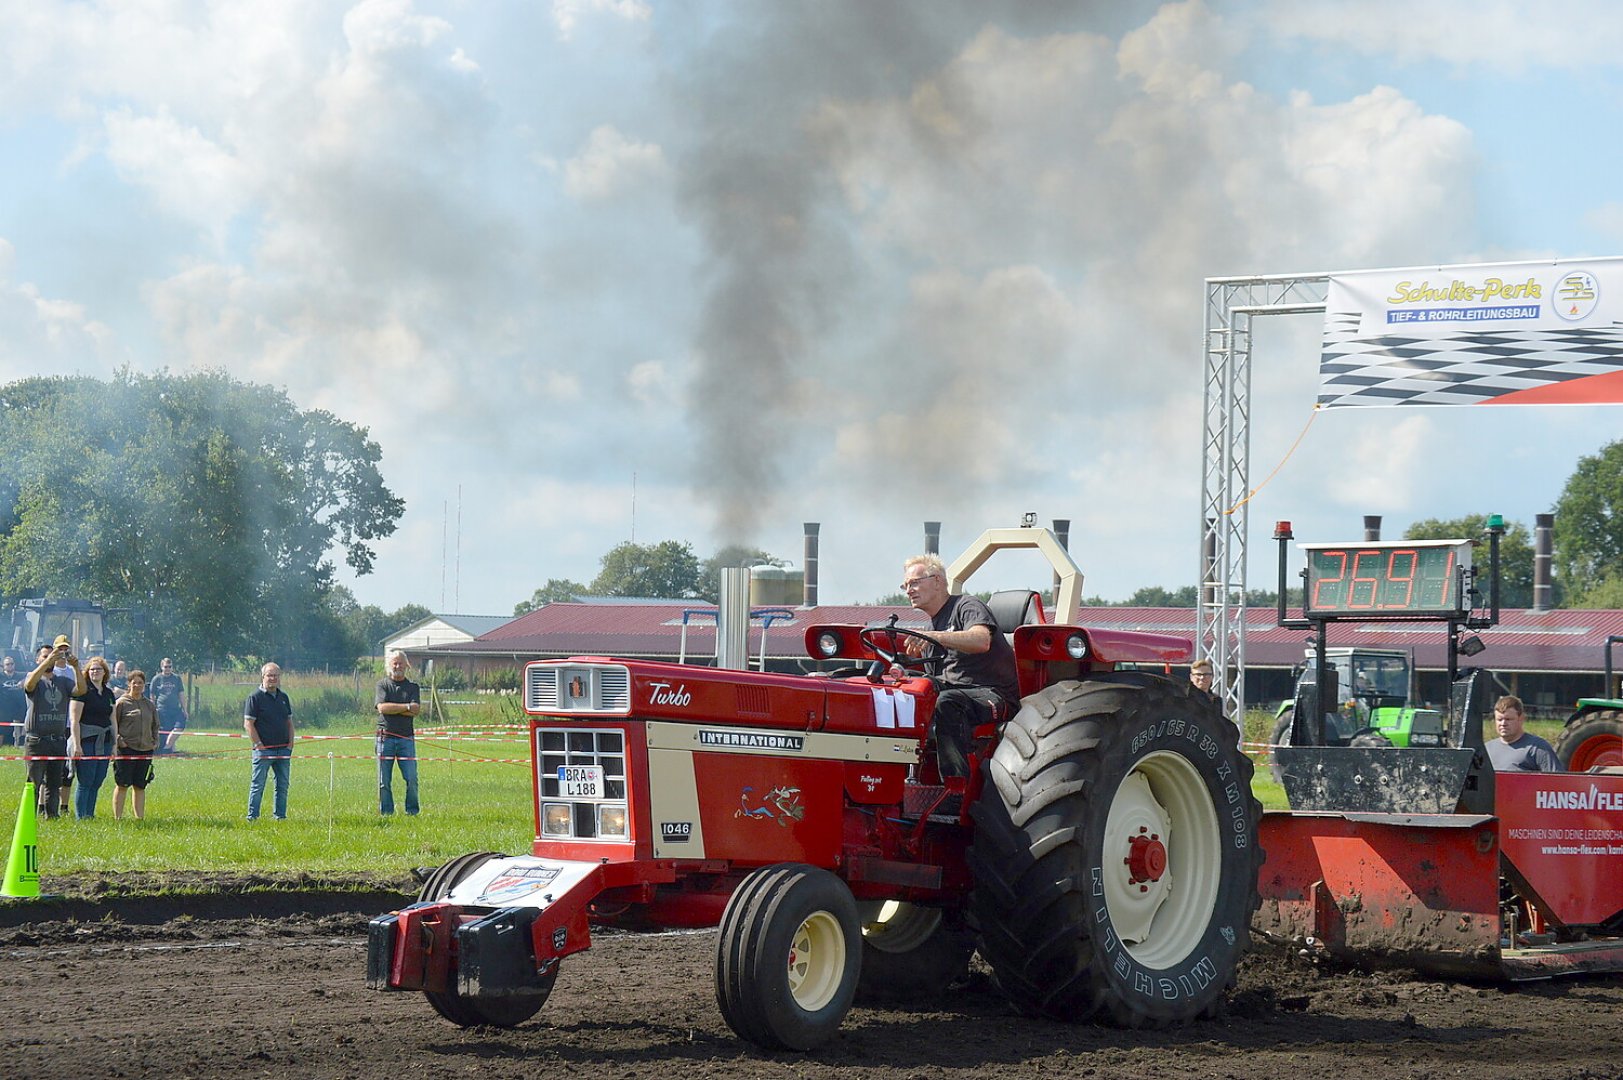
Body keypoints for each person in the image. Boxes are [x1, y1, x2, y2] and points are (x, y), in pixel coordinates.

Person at [897, 554, 1021, 780]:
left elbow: (981, 640)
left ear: (937, 581)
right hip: (956, 693)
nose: (908, 590)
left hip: (992, 694)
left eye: (914, 582)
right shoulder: (930, 630)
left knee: (948, 702)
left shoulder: (966, 605)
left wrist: (936, 636)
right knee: (906, 691)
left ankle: (956, 787)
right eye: (906, 585)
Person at [22, 635, 87, 818]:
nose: (49, 659)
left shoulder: (62, 681)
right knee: (33, 783)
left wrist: (76, 667)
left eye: (52, 656)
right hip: (36, 740)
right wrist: (46, 663)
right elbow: (29, 685)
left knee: (54, 783)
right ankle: (28, 817)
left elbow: (81, 690)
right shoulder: (32, 677)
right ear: (37, 659)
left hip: (57, 740)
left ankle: (52, 816)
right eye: (44, 656)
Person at [243, 662, 295, 821]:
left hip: (283, 750)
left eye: (276, 676)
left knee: (283, 785)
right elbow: (248, 724)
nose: (273, 678)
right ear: (263, 676)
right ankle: (253, 817)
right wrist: (259, 746)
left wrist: (290, 744)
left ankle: (280, 817)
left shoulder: (283, 697)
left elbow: (289, 722)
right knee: (258, 785)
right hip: (263, 751)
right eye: (270, 675)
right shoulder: (255, 698)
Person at [68, 656, 118, 819]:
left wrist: (115, 745)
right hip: (86, 742)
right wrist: (77, 745)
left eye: (99, 669)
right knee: (86, 781)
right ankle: (81, 817)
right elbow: (74, 720)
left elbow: (113, 720)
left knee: (97, 780)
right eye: (92, 669)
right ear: (87, 672)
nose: (95, 672)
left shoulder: (109, 693)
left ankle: (90, 814)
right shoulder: (81, 691)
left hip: (104, 743)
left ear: (105, 672)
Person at [375, 650, 422, 816]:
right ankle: (386, 812)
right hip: (384, 738)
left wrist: (393, 708)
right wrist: (406, 707)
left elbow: (416, 710)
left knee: (411, 779)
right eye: (395, 663)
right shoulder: (382, 685)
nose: (397, 666)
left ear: (406, 665)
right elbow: (382, 708)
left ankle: (412, 811)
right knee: (383, 781)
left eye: (401, 663)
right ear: (389, 665)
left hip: (406, 739)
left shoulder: (413, 687)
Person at [111, 668, 159, 820]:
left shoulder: (149, 705)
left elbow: (155, 725)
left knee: (140, 785)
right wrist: (119, 741)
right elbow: (113, 725)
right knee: (123, 784)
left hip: (145, 749)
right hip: (126, 750)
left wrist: (155, 741)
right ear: (129, 684)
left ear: (144, 685)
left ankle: (140, 818)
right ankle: (118, 818)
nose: (137, 685)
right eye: (134, 683)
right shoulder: (121, 703)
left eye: (140, 683)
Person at [1485, 695, 1560, 772]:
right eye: (1499, 719)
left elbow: (1556, 780)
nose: (1503, 723)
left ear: (1521, 719)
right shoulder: (1486, 749)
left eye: (1508, 719)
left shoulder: (1538, 748)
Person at [150, 657, 188, 754]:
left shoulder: (176, 678)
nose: (168, 669)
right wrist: (153, 710)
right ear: (162, 667)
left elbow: (181, 694)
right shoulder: (156, 679)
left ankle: (167, 748)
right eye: (166, 667)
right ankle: (168, 749)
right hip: (162, 710)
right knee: (165, 732)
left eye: (170, 667)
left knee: (180, 725)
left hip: (175, 709)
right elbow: (152, 696)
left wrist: (185, 709)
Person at [0, 654, 26, 746]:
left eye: (11, 664)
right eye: (7, 664)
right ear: (3, 666)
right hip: (3, 708)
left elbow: (32, 675)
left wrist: (24, 681)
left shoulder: (21, 675)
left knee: (18, 730)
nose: (10, 666)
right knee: (2, 730)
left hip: (18, 707)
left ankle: (18, 746)